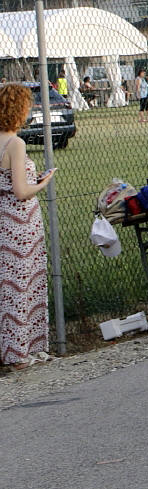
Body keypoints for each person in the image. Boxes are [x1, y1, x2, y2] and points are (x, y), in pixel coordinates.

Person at [0, 83, 55, 368]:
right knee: (24, 285)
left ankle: (10, 349)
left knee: (6, 286)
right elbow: (21, 191)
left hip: (2, 219)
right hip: (20, 223)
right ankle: (20, 353)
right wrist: (42, 183)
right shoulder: (15, 144)